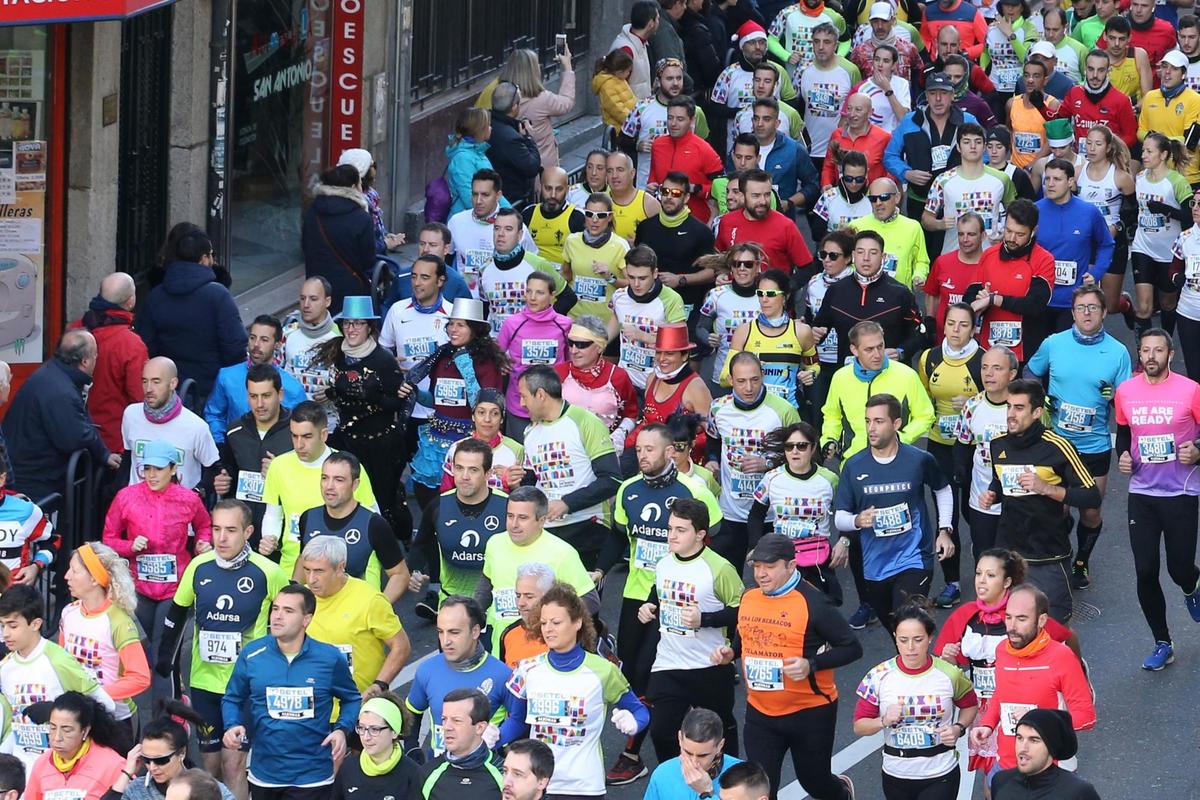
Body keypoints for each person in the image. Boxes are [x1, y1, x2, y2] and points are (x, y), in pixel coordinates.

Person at [604, 433, 724, 779]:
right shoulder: (628, 489)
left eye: (649, 449)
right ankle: (642, 751)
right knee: (633, 675)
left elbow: (716, 536)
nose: (642, 455)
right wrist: (600, 567)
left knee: (654, 671)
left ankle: (642, 751)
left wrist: (709, 588)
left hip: (677, 595)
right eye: (638, 449)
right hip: (636, 594)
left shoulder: (693, 490)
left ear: (670, 451)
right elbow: (619, 535)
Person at [155, 500, 288, 798]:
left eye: (231, 530)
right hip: (205, 682)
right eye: (216, 529)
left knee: (233, 762)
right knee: (209, 766)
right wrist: (166, 661)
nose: (222, 538)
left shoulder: (268, 572)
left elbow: (292, 617)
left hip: (245, 685)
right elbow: (176, 615)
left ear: (248, 531)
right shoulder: (198, 566)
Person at [712, 534, 861, 799]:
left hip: (810, 713)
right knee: (763, 789)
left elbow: (852, 647)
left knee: (814, 782)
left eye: (769, 567)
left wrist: (811, 664)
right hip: (761, 713)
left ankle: (841, 792)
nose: (761, 574)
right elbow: (743, 639)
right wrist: (730, 653)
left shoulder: (814, 603)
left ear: (791, 566)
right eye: (757, 566)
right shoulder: (749, 598)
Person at [935, 549, 1080, 777]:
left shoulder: (1022, 614)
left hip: (1018, 703)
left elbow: (1066, 635)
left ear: (1007, 581)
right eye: (978, 573)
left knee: (1015, 768)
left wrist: (1077, 670)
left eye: (991, 575)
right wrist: (949, 659)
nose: (981, 581)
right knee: (991, 773)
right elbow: (950, 670)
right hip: (983, 705)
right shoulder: (966, 615)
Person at [1026, 285, 1131, 589]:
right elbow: (1030, 373)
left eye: (1093, 307)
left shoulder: (1117, 352)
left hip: (1094, 443)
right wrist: (1041, 398)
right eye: (1081, 307)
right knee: (1056, 507)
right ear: (1072, 313)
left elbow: (1126, 401)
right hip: (1058, 442)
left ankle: (1082, 562)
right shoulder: (1054, 343)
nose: (1087, 313)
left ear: (1104, 312)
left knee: (1091, 509)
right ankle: (1059, 556)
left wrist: (1113, 397)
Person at [501, 583, 650, 797]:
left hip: (584, 786)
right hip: (538, 784)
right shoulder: (528, 669)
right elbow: (517, 721)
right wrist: (491, 738)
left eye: (556, 622)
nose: (548, 629)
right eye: (543, 623)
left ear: (577, 622)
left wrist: (634, 723)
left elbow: (640, 711)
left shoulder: (603, 671)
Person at [977, 380, 1102, 623]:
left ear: (1037, 412)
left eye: (1019, 408)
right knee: (1009, 627)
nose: (1011, 414)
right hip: (1009, 554)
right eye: (1009, 407)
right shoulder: (998, 445)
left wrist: (1046, 488)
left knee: (1055, 629)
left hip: (1048, 555)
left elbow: (1092, 496)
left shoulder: (1058, 447)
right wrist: (993, 494)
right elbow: (998, 481)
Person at [222, 584, 361, 799]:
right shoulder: (252, 654)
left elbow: (352, 698)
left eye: (288, 611)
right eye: (275, 609)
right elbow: (232, 698)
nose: (277, 617)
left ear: (307, 619)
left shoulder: (330, 658)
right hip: (265, 775)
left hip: (313, 777)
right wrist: (232, 725)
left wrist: (342, 730)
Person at [1113, 329, 1200, 670]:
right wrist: (1123, 455)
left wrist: (1198, 451)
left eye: (1158, 350)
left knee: (1179, 568)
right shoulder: (1126, 391)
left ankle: (1192, 587)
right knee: (1146, 569)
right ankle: (1162, 641)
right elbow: (1123, 432)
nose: (1151, 356)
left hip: (1181, 492)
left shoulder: (1190, 391)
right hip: (1142, 494)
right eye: (1146, 350)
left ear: (1171, 354)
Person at [834, 394, 956, 632]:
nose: (871, 428)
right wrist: (858, 520)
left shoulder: (918, 460)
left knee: (907, 624)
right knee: (896, 632)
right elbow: (840, 516)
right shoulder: (854, 465)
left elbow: (943, 490)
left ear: (896, 424)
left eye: (879, 421)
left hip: (914, 557)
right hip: (875, 565)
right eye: (868, 421)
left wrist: (944, 530)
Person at [100, 439, 207, 709]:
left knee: (163, 656)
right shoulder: (127, 496)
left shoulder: (188, 499)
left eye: (158, 469)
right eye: (146, 469)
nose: (151, 475)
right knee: (143, 652)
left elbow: (205, 526)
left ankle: (166, 723)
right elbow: (108, 538)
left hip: (176, 590)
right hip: (138, 589)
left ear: (173, 468)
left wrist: (203, 545)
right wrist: (129, 546)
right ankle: (163, 700)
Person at [852, 603, 978, 799]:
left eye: (918, 639)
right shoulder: (878, 675)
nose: (910, 647)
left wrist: (958, 728)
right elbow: (859, 726)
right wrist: (883, 721)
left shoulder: (949, 673)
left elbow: (970, 705)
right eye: (903, 640)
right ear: (895, 638)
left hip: (940, 772)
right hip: (896, 774)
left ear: (930, 639)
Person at [968, 585, 1096, 773]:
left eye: (1022, 619)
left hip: (1050, 770)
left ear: (1041, 620)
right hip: (1006, 765)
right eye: (1008, 617)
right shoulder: (1002, 650)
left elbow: (1086, 717)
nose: (1011, 626)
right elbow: (1001, 694)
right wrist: (988, 724)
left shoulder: (1062, 657)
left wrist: (1040, 725)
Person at [313, 296, 407, 532]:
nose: (351, 329)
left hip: (380, 444)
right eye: (347, 323)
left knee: (381, 499)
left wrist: (372, 395)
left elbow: (397, 403)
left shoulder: (383, 360)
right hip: (348, 439)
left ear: (369, 327)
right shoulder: (338, 352)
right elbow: (340, 386)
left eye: (358, 323)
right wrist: (332, 392)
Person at [0, 585, 116, 774]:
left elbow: (106, 705)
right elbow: (13, 724)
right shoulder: (5, 669)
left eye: (13, 626)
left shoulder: (58, 660)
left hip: (62, 768)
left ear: (35, 624)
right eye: (2, 625)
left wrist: (55, 712)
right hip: (23, 772)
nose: (5, 634)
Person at [403, 298, 506, 510]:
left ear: (474, 329)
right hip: (436, 439)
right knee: (428, 498)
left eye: (460, 325)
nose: (452, 329)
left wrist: (465, 365)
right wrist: (414, 393)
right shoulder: (441, 356)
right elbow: (435, 400)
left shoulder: (486, 362)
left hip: (467, 441)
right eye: (451, 324)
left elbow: (482, 404)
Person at [259, 401, 382, 574]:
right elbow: (273, 514)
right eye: (294, 436)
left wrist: (371, 579)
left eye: (307, 437)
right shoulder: (279, 466)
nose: (299, 444)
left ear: (323, 435)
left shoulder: (348, 469)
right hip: (293, 568)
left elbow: (374, 521)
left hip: (342, 572)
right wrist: (269, 537)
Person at [706, 351, 803, 570]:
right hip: (731, 511)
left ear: (763, 375)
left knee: (771, 579)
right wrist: (711, 461)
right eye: (741, 381)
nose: (748, 388)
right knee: (727, 580)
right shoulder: (718, 408)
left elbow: (805, 457)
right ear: (730, 380)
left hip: (770, 513)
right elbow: (713, 442)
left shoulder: (783, 410)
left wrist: (767, 464)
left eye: (754, 380)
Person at [518, 367, 622, 569]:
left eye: (523, 396)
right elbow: (531, 482)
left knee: (581, 601)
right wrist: (517, 483)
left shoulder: (586, 422)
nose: (521, 404)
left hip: (586, 528)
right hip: (545, 531)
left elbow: (612, 480)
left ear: (540, 395)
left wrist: (567, 503)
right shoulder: (530, 432)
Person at [916, 304, 983, 607]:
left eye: (963, 325)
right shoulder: (930, 359)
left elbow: (1000, 397)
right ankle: (952, 582)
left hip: (973, 448)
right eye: (951, 324)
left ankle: (987, 570)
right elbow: (922, 399)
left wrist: (973, 401)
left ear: (973, 329)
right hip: (939, 445)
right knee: (947, 516)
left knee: (977, 514)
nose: (956, 331)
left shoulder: (982, 361)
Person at [2, 329, 117, 502]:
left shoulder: (53, 375)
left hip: (28, 471)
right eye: (95, 356)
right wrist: (103, 455)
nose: (96, 361)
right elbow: (73, 437)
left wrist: (102, 453)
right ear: (85, 361)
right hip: (35, 479)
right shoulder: (61, 390)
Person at [475, 487, 600, 639]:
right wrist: (474, 616)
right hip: (500, 641)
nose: (514, 524)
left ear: (541, 520)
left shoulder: (562, 553)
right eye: (510, 516)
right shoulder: (495, 543)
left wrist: (550, 622)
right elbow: (487, 583)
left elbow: (590, 601)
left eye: (522, 518)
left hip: (541, 645)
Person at [140, 229, 246, 397]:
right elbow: (235, 348)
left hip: (168, 391)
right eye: (211, 254)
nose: (212, 260)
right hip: (211, 391)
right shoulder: (218, 296)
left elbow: (146, 346)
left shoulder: (155, 296)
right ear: (204, 259)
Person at [300, 537, 410, 698]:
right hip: (314, 711)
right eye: (307, 570)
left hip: (357, 709)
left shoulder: (369, 599)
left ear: (340, 567)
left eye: (319, 571)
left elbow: (401, 646)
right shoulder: (300, 598)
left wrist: (379, 685)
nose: (311, 579)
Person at [406, 596, 513, 758]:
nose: (445, 641)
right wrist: (412, 751)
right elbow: (412, 713)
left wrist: (497, 740)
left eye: (454, 632)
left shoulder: (502, 675)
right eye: (441, 632)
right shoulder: (427, 670)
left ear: (475, 631)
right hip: (438, 772)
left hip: (483, 774)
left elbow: (520, 722)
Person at [58, 542, 150, 728]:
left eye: (74, 571)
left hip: (115, 720)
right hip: (76, 718)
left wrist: (96, 694)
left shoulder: (118, 621)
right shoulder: (68, 613)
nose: (66, 576)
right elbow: (61, 663)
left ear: (94, 579)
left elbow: (140, 677)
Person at [748, 422, 841, 603]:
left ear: (813, 448)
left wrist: (843, 541)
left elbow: (845, 512)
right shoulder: (772, 478)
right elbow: (756, 515)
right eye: (789, 447)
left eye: (802, 446)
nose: (795, 452)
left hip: (816, 557)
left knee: (819, 608)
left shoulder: (829, 479)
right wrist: (754, 547)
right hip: (781, 556)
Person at [297, 452, 409, 600]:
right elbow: (303, 560)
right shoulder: (308, 517)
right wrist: (295, 599)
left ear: (355, 484)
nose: (329, 486)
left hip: (355, 615)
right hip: (319, 614)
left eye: (339, 480)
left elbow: (400, 575)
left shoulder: (373, 524)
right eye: (325, 478)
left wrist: (378, 609)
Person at [813, 229, 926, 366]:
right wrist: (814, 331)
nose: (866, 258)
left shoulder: (900, 293)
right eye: (860, 252)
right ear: (854, 255)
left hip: (889, 375)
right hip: (849, 376)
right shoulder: (836, 290)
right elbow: (819, 326)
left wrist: (900, 352)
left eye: (873, 253)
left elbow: (919, 334)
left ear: (883, 257)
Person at [963, 199, 1055, 364]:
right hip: (988, 348)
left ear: (1034, 231)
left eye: (1020, 234)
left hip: (1026, 351)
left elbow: (1035, 305)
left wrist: (994, 299)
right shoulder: (988, 255)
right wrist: (979, 298)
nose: (1012, 238)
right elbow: (969, 299)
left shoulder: (1044, 260)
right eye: (1008, 231)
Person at [213, 364, 295, 543]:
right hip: (243, 534)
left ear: (279, 394)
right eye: (253, 396)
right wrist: (223, 483)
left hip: (281, 534)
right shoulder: (235, 431)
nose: (259, 404)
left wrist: (279, 474)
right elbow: (228, 471)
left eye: (266, 396)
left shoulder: (296, 432)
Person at [71, 271, 148, 455]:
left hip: (74, 433)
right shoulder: (131, 344)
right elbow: (139, 397)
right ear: (130, 301)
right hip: (114, 440)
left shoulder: (74, 331)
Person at [954, 347, 1021, 559]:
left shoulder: (1022, 407)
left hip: (1018, 501)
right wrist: (960, 474)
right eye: (984, 367)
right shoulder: (972, 406)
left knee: (1015, 561)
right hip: (981, 500)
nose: (988, 374)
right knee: (984, 559)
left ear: (1012, 374)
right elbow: (962, 445)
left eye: (996, 368)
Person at [719, 270, 818, 410]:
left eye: (771, 294)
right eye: (760, 294)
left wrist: (811, 374)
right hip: (754, 411)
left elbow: (814, 366)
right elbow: (723, 379)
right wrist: (749, 371)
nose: (764, 299)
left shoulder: (801, 331)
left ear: (785, 297)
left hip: (789, 409)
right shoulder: (744, 331)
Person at [1035, 160, 1116, 330]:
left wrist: (1097, 272)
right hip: (1040, 297)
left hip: (1074, 299)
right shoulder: (1034, 211)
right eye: (1047, 179)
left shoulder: (1089, 212)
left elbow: (1106, 244)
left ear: (1070, 182)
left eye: (1057, 179)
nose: (1050, 184)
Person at [121, 357, 219, 490]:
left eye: (156, 382)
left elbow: (214, 469)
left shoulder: (196, 427)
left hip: (179, 508)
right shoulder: (131, 414)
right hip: (138, 507)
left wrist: (195, 495)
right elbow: (127, 460)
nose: (149, 388)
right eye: (145, 381)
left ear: (173, 383)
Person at [204, 316, 306, 443]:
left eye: (264, 340)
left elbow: (304, 428)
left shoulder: (293, 388)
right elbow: (214, 414)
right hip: (236, 453)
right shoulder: (226, 377)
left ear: (278, 344)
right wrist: (221, 444)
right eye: (252, 338)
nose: (256, 345)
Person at [1130, 132, 1193, 336]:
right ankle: (1143, 352)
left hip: (1169, 251)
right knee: (1144, 307)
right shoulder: (1139, 178)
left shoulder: (1177, 182)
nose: (1144, 155)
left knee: (1167, 303)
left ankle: (1165, 343)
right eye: (1143, 151)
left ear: (1164, 154)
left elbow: (1190, 217)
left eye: (1149, 151)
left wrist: (1166, 210)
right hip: (1143, 247)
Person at [624, 326, 712, 469]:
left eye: (669, 354)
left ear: (684, 355)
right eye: (659, 353)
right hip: (650, 462)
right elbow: (646, 423)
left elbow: (711, 435)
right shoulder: (652, 378)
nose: (662, 359)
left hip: (682, 466)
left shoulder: (696, 387)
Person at [634, 172, 718, 319]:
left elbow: (711, 273)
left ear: (686, 198)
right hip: (649, 304)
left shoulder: (701, 231)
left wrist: (680, 280)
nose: (669, 197)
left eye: (676, 193)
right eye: (665, 191)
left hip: (686, 306)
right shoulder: (646, 226)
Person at [923, 123, 1016, 256]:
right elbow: (926, 219)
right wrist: (940, 224)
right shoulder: (943, 181)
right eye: (966, 142)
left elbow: (1014, 214)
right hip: (954, 255)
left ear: (984, 146)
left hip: (991, 256)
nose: (973, 147)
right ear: (959, 147)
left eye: (978, 142)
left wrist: (1006, 234)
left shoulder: (1002, 179)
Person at [1075, 127, 1137, 322]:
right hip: (1085, 241)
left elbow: (1134, 212)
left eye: (1098, 144)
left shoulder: (1120, 177)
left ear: (1108, 147)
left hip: (1111, 242)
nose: (1092, 148)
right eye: (1089, 143)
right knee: (1087, 297)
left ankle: (1125, 303)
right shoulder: (1077, 173)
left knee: (1109, 306)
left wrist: (1116, 228)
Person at [447, 170, 539, 297]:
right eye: (474, 194)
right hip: (464, 301)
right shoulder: (456, 222)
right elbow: (446, 258)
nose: (478, 201)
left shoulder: (514, 227)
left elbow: (533, 264)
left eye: (485, 195)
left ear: (498, 195)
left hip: (500, 303)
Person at [608, 247, 689, 392]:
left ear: (655, 273)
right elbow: (615, 320)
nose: (636, 284)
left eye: (643, 278)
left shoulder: (671, 299)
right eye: (631, 277)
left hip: (659, 382)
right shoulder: (619, 296)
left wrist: (643, 336)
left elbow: (679, 342)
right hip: (626, 379)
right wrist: (598, 342)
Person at [300, 165, 377, 315]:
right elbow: (368, 260)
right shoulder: (361, 217)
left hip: (317, 285)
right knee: (352, 332)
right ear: (354, 186)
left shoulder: (313, 211)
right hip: (351, 289)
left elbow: (305, 247)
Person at [481, 210, 569, 337]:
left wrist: (545, 325)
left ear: (520, 235)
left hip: (530, 344)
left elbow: (568, 298)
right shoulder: (484, 268)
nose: (501, 234)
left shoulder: (537, 264)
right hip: (496, 347)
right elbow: (484, 307)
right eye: (497, 228)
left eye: (508, 229)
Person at [24, 692, 129, 800]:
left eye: (67, 730)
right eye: (53, 728)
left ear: (85, 731)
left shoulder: (113, 765)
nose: (57, 737)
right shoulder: (42, 764)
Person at [122, 703, 237, 800]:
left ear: (181, 752)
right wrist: (127, 773)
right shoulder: (136, 790)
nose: (152, 767)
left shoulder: (209, 789)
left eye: (161, 760)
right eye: (146, 759)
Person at [553, 316, 639, 447]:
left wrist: (620, 433)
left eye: (582, 345)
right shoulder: (558, 373)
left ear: (599, 347)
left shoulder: (618, 376)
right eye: (571, 343)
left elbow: (631, 414)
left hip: (604, 449)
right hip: (564, 449)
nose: (574, 350)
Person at [715, 169, 814, 273]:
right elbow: (718, 259)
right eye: (756, 196)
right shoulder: (727, 221)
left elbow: (807, 268)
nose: (763, 201)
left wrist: (784, 286)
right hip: (735, 288)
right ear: (742, 196)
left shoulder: (785, 225)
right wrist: (720, 275)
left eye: (767, 195)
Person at [990, 709, 1102, 799]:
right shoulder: (1000, 781)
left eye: (1034, 740)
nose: (1023, 748)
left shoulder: (1078, 792)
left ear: (1051, 746)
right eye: (1019, 738)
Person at [794, 23, 860, 172]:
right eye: (816, 41)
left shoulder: (850, 70)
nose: (821, 47)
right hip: (810, 149)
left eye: (827, 42)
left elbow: (857, 107)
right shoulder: (803, 70)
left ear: (836, 44)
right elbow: (797, 107)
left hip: (841, 149)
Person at [416, 689, 504, 800]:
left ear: (480, 727)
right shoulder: (428, 773)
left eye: (456, 720)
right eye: (444, 719)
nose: (447, 727)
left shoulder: (504, 775)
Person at [698, 244, 766, 386]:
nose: (741, 268)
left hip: (758, 377)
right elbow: (699, 328)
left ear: (757, 267)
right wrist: (708, 338)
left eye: (748, 264)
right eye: (736, 264)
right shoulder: (717, 295)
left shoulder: (766, 295)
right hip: (723, 376)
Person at [332, 694, 420, 800]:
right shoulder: (347, 768)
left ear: (394, 732)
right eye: (361, 728)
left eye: (374, 729)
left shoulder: (413, 775)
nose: (366, 737)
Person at [648, 99, 723, 223]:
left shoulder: (705, 150)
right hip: (662, 218)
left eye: (680, 119)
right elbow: (654, 175)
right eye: (670, 118)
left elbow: (721, 190)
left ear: (692, 120)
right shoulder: (658, 145)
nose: (673, 123)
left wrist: (697, 189)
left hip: (696, 221)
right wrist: (651, 186)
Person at [561, 192, 632, 320]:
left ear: (609, 217)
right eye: (589, 214)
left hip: (607, 321)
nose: (594, 220)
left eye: (601, 215)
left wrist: (610, 277)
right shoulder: (572, 241)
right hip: (575, 318)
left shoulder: (620, 245)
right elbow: (565, 275)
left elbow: (632, 284)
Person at [849, 179, 930, 291]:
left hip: (899, 297)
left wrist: (919, 276)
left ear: (897, 198)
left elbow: (921, 261)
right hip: (862, 295)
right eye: (873, 199)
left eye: (884, 197)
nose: (878, 203)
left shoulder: (913, 227)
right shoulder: (855, 226)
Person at [643, 708, 741, 800]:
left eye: (702, 755)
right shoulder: (662, 774)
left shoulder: (743, 778)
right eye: (687, 752)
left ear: (720, 745)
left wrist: (705, 794)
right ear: (680, 739)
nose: (694, 762)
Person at [281, 276, 343, 420]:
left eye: (313, 299)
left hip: (329, 424)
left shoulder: (340, 337)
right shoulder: (287, 333)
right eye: (303, 298)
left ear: (327, 301)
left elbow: (352, 381)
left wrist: (333, 391)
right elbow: (275, 373)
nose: (306, 304)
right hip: (292, 421)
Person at [1057, 50, 1138, 158]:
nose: (1095, 75)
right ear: (1085, 70)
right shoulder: (1075, 93)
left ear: (1108, 71)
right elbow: (1058, 120)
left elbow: (1131, 136)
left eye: (1101, 70)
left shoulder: (1121, 100)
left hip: (1108, 161)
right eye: (1091, 69)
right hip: (1079, 160)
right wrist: (1041, 106)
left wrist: (1110, 149)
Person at [506, 49, 576, 171]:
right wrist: (568, 67)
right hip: (542, 165)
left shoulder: (501, 96)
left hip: (513, 164)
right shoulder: (542, 99)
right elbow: (566, 103)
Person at [751, 99, 821, 220]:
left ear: (777, 123)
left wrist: (789, 202)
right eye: (756, 118)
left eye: (766, 119)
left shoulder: (794, 150)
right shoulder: (742, 146)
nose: (760, 124)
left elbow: (813, 186)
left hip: (782, 221)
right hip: (747, 220)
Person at [1139, 51, 1200, 190]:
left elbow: (1189, 140)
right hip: (1155, 174)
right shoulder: (1150, 97)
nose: (1167, 72)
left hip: (1186, 175)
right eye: (1165, 66)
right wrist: (1151, 137)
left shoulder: (1195, 99)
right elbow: (1141, 131)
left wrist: (1156, 140)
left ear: (1183, 73)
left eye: (1174, 68)